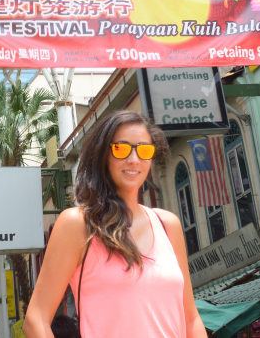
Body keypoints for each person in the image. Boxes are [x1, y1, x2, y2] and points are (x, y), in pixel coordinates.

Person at [23, 110, 207, 338]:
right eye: (121, 149)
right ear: (103, 156)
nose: (134, 159)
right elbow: (35, 319)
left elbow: (191, 319)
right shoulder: (78, 224)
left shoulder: (168, 225)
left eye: (144, 149)